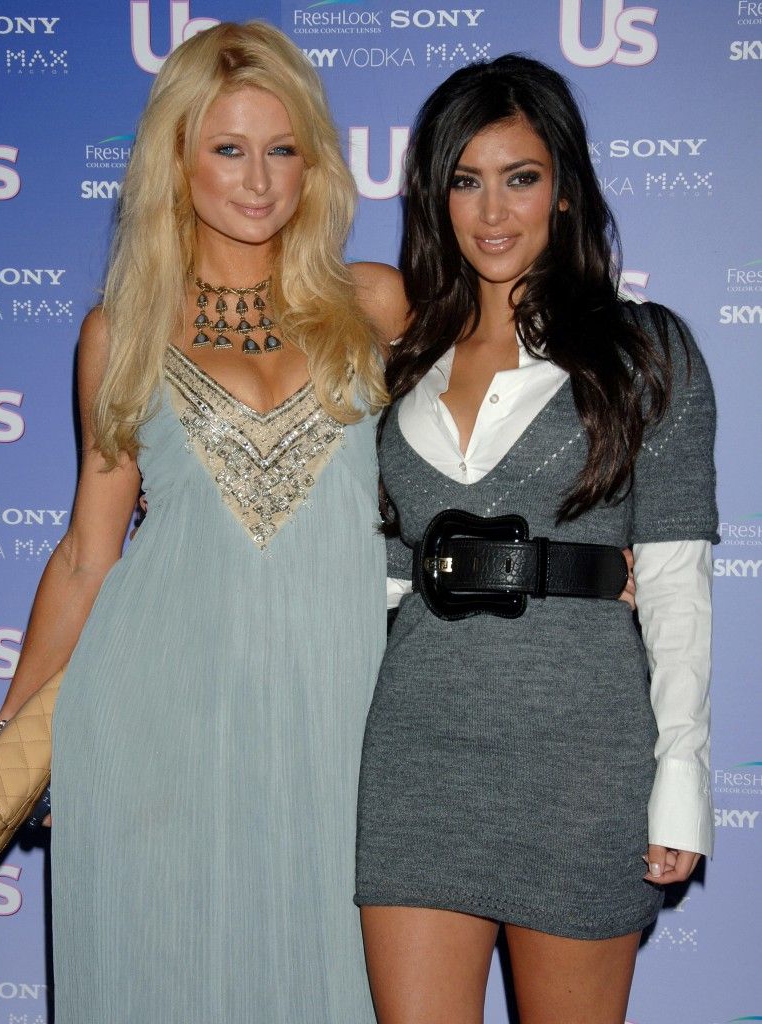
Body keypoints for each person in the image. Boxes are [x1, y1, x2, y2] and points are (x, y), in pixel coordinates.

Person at [0, 21, 394, 1024]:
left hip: (337, 723)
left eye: (281, 149)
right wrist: (14, 742)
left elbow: (494, 425)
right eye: (228, 149)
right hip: (154, 718)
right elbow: (87, 555)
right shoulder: (120, 332)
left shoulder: (375, 306)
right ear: (177, 159)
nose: (258, 181)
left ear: (313, 161)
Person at [354, 55, 717, 1024]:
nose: (491, 210)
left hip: (579, 762)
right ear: (433, 198)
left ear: (562, 188)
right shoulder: (400, 365)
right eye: (463, 180)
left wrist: (679, 776)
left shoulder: (644, 353)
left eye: (518, 176)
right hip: (415, 757)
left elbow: (675, 585)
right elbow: (377, 589)